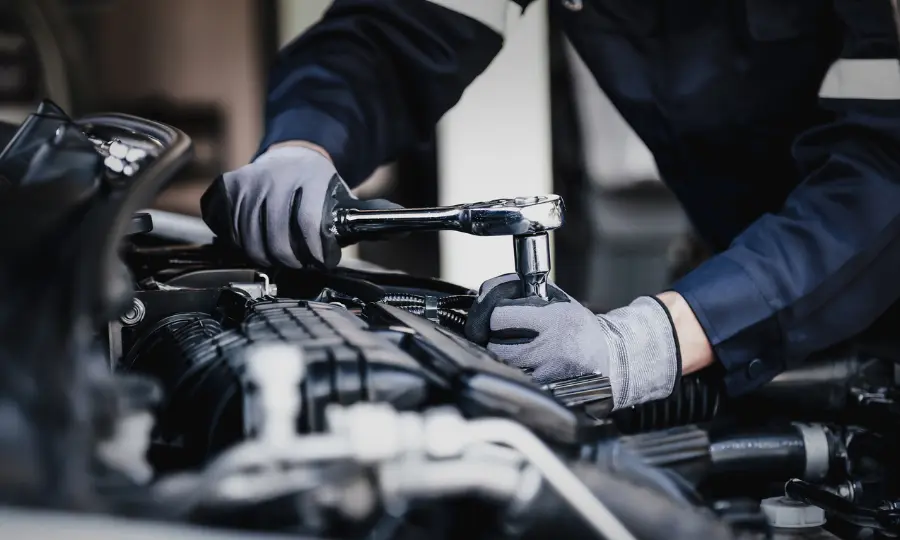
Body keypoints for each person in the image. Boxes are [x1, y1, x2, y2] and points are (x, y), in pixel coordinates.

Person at [201, 0, 900, 411]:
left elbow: (887, 168)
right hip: (750, 283)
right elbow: (394, 35)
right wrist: (304, 144)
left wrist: (659, 340)